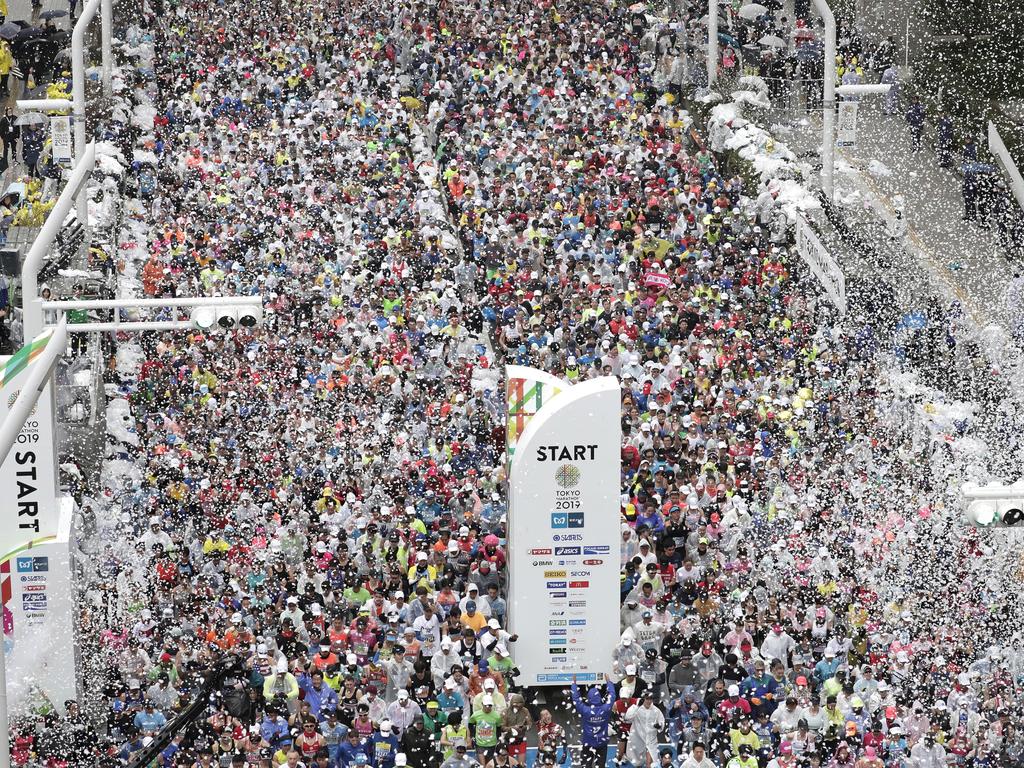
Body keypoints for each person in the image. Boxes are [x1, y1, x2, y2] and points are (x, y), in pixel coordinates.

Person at [571, 674, 616, 768]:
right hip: (602, 744)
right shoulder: (606, 708)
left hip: (588, 743)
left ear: (589, 698)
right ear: (599, 697)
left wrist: (574, 684)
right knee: (600, 766)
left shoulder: (585, 710)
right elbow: (612, 695)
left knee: (586, 765)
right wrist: (609, 682)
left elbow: (576, 699)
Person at [625, 691, 666, 768]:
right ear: (643, 699)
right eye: (647, 699)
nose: (649, 701)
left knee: (649, 763)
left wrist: (659, 726)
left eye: (650, 699)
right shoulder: (636, 708)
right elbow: (627, 718)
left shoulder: (656, 710)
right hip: (638, 739)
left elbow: (662, 721)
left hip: (651, 739)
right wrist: (637, 706)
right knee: (638, 763)